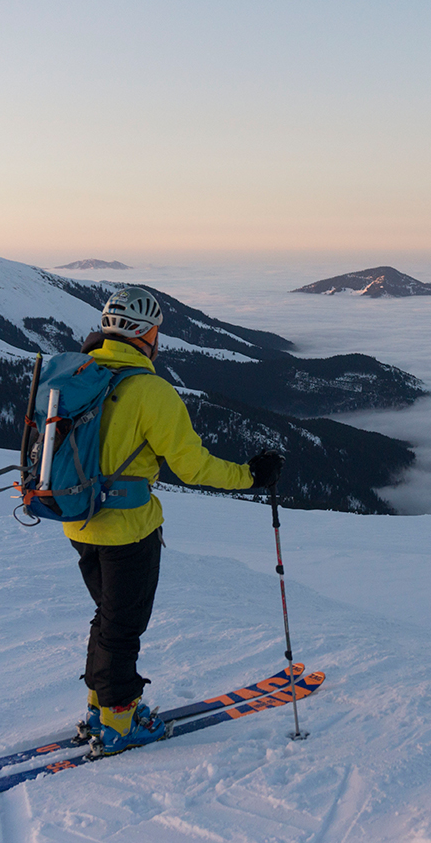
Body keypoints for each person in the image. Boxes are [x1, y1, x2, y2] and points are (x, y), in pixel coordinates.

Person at [69, 286, 283, 755]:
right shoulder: (149, 390)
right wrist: (249, 476)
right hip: (129, 529)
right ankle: (119, 722)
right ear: (146, 335)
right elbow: (193, 467)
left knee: (109, 617)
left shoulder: (80, 373)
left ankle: (99, 708)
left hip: (78, 519)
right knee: (124, 626)